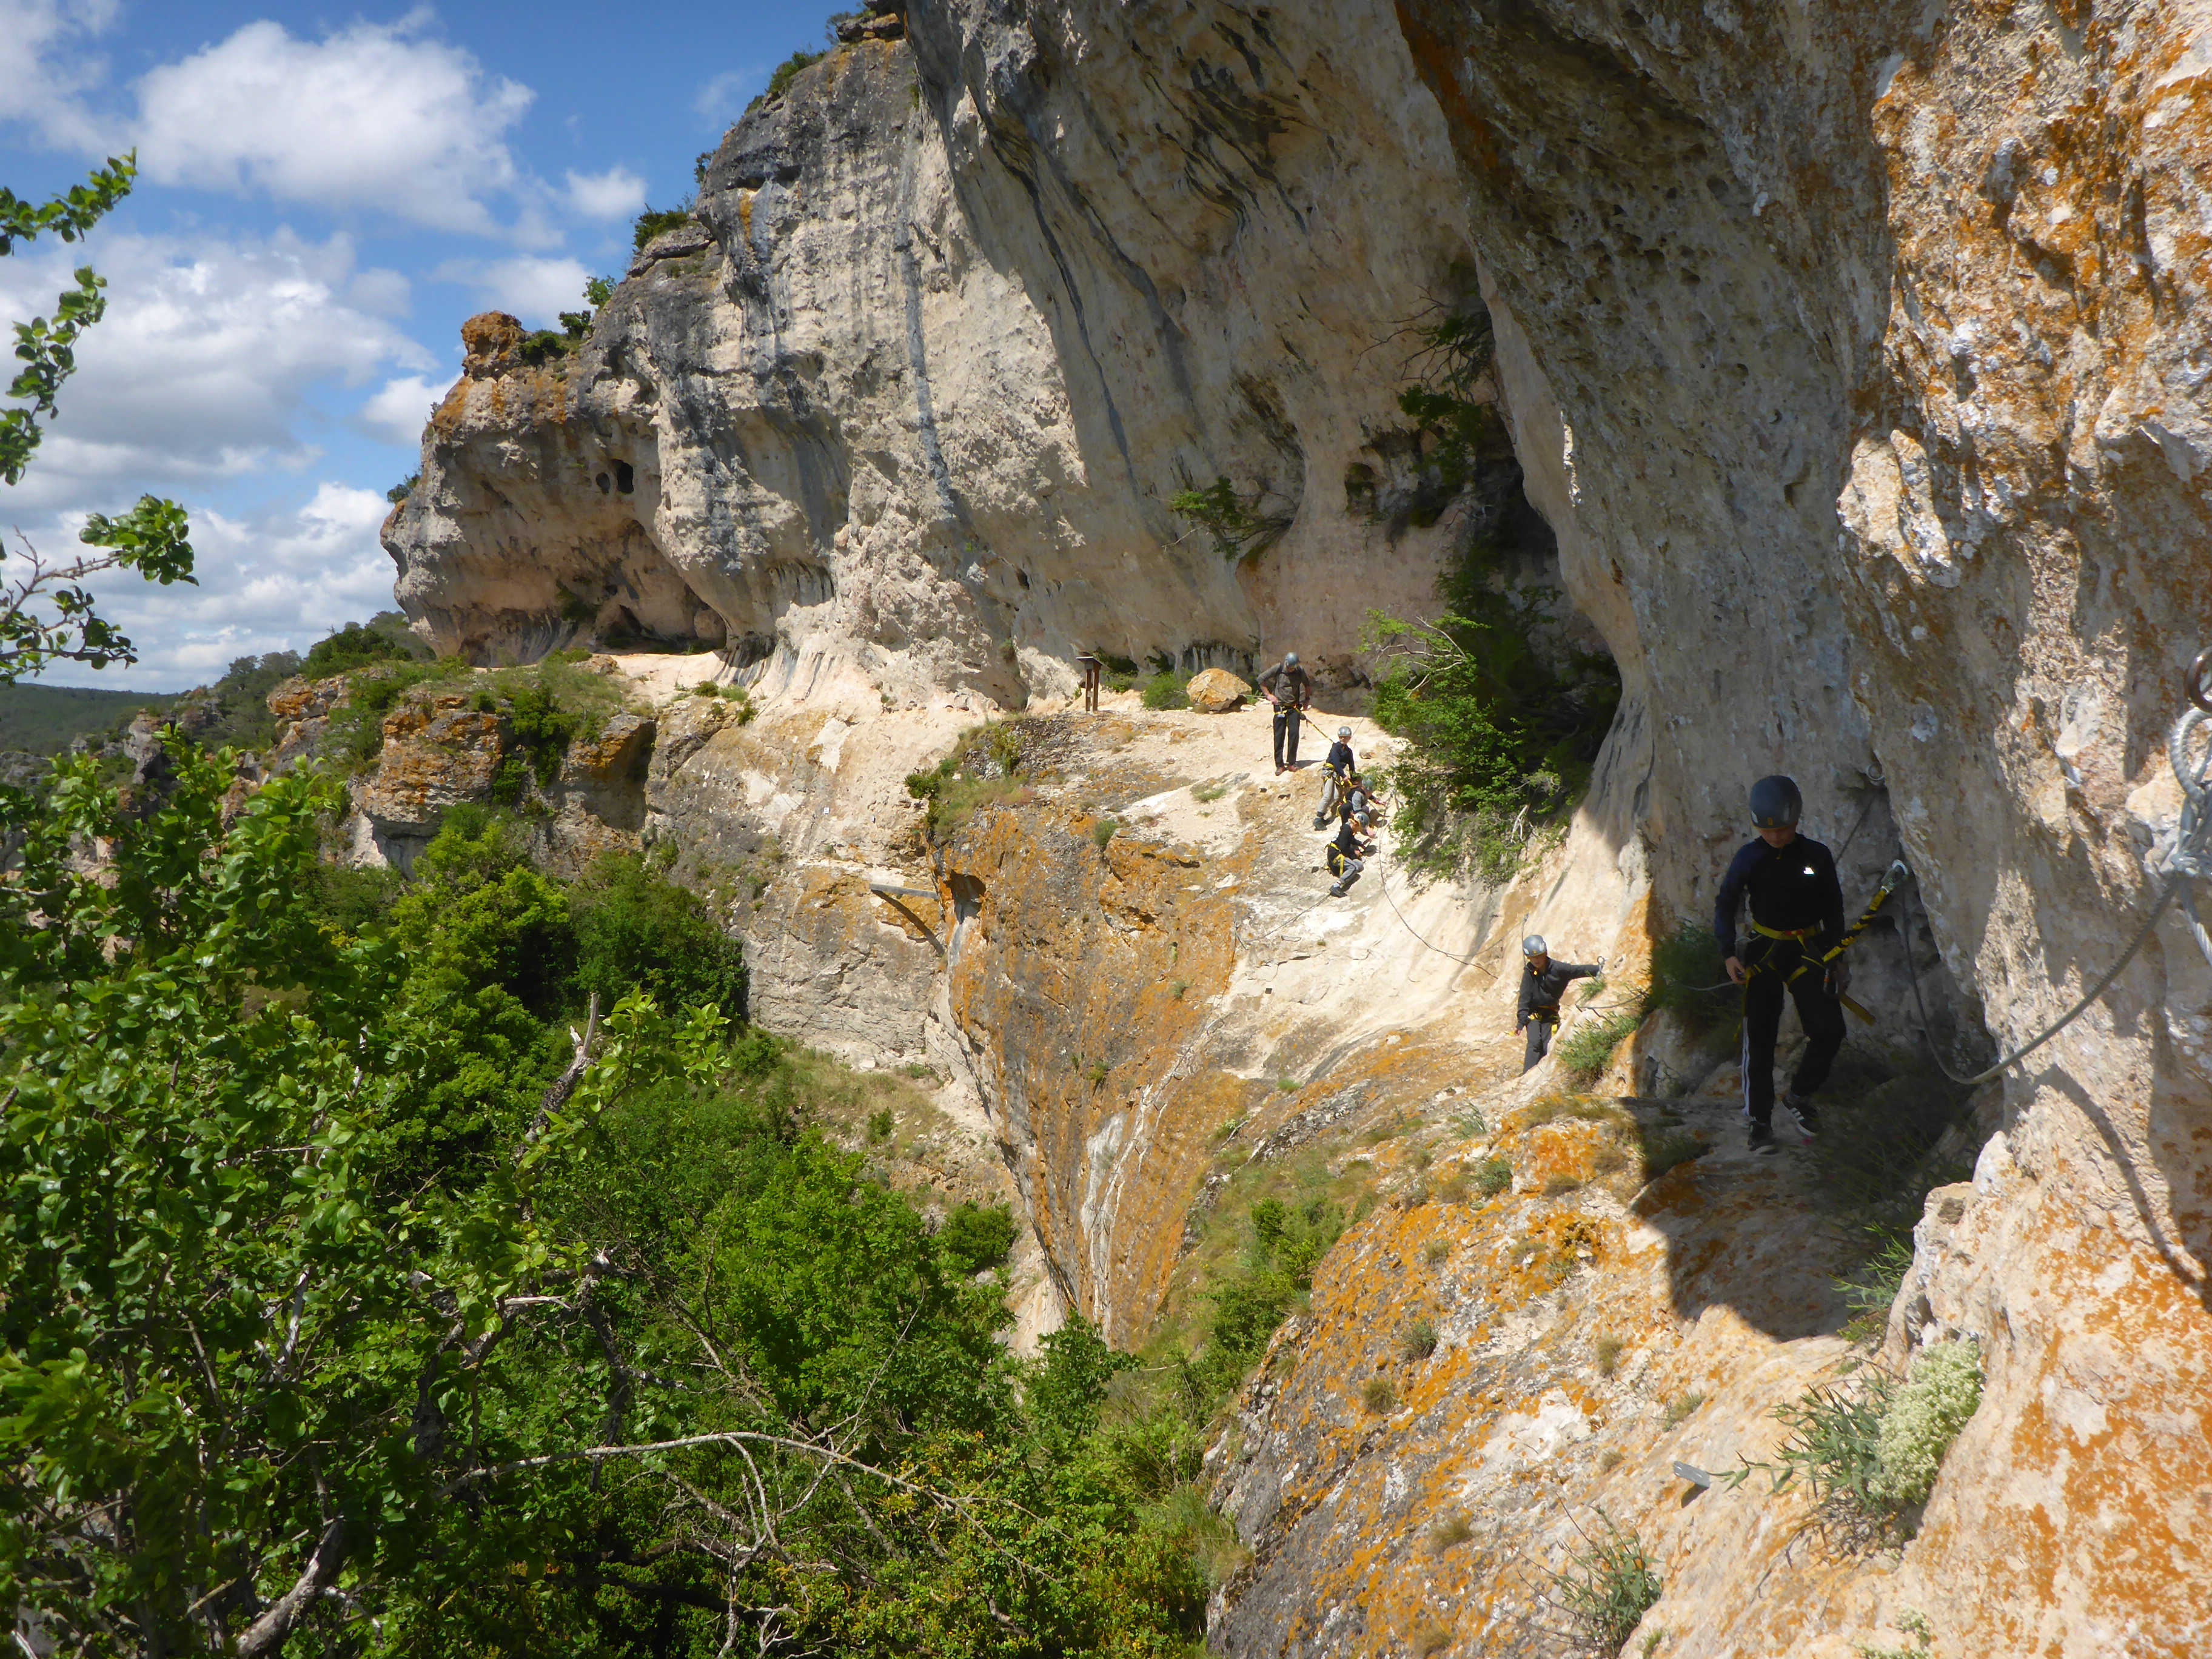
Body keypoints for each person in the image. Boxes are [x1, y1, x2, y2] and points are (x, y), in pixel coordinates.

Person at [1716, 773, 1846, 1151]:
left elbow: (1833, 907)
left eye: (1783, 829)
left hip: (1809, 948)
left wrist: (1839, 958)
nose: (1775, 836)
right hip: (1765, 952)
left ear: (1797, 821)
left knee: (1829, 1031)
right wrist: (1728, 952)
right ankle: (1760, 1123)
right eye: (1767, 830)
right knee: (1760, 1039)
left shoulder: (1816, 855)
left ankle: (1799, 1097)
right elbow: (1726, 903)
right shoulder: (1749, 858)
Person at [1517, 935, 1601, 1074]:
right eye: (1533, 958)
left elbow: (1577, 970)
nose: (1536, 960)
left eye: (1539, 956)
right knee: (1534, 1043)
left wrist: (1599, 969)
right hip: (1533, 1014)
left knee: (1548, 1046)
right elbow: (1524, 997)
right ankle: (1527, 1076)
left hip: (1550, 1013)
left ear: (1545, 953)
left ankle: (1541, 1075)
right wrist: (1521, 1021)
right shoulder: (1530, 972)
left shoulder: (1558, 969)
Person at [1257, 651, 1313, 774]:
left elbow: (1307, 685)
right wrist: (1268, 695)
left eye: (1292, 668)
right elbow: (1261, 679)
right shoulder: (1278, 668)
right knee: (1279, 736)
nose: (1290, 670)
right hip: (1280, 707)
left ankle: (1292, 762)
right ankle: (1280, 765)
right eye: (1289, 668)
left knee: (1294, 734)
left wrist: (1306, 700)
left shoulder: (1300, 671)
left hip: (1294, 707)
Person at [1315, 725, 1356, 826]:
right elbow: (1336, 762)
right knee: (1328, 795)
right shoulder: (1336, 747)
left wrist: (1354, 778)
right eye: (1341, 737)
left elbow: (1352, 765)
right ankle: (1318, 819)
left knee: (1335, 796)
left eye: (1345, 737)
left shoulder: (1348, 752)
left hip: (1336, 774)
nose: (1343, 739)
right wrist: (1343, 775)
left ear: (1349, 739)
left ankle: (1322, 816)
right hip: (1330, 772)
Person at [1327, 809, 1373, 897]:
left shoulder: (1348, 828)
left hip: (1335, 853)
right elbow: (1344, 847)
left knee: (1359, 865)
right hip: (1335, 854)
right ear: (1356, 824)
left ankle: (1341, 870)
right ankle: (1336, 886)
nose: (1360, 831)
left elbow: (1350, 840)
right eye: (1360, 828)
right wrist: (1354, 852)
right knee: (1354, 867)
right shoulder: (1347, 831)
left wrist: (1360, 844)